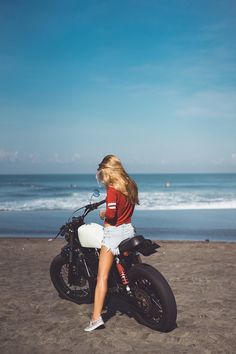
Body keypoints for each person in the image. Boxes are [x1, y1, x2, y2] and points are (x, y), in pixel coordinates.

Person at [84, 155, 139, 331]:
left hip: (113, 234)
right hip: (129, 230)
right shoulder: (130, 185)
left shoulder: (113, 190)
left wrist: (102, 214)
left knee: (102, 277)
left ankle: (95, 319)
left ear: (108, 171)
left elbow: (111, 215)